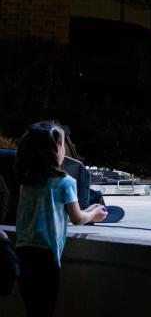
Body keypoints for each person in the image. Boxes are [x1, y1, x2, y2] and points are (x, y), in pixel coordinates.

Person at [13, 122, 107, 317]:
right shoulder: (66, 182)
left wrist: (85, 210)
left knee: (32, 309)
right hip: (47, 257)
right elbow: (77, 218)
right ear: (55, 151)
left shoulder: (26, 181)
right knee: (46, 309)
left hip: (23, 252)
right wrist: (93, 215)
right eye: (63, 144)